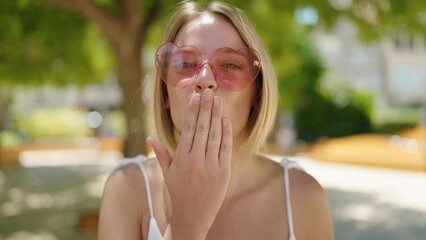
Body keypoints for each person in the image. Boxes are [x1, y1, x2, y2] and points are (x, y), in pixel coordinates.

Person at [98, 1, 334, 239]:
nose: (205, 78)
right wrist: (186, 223)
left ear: (257, 93)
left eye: (230, 64)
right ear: (165, 95)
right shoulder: (127, 188)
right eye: (186, 64)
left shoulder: (303, 197)